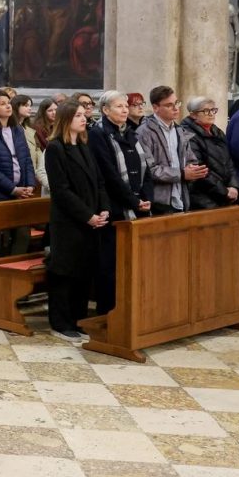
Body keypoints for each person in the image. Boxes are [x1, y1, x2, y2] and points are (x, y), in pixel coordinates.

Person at [43, 100, 110, 342]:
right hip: (68, 222)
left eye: (84, 115)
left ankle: (78, 319)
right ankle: (61, 322)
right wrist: (87, 216)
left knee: (84, 271)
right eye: (78, 115)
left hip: (91, 219)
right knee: (65, 272)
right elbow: (61, 191)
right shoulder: (55, 148)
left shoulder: (83, 145)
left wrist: (104, 209)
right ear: (66, 119)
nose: (84, 119)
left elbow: (99, 181)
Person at [85, 91, 150, 315]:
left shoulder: (130, 132)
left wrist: (146, 197)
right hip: (114, 207)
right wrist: (133, 201)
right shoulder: (98, 135)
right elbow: (109, 174)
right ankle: (108, 312)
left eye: (125, 106)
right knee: (111, 264)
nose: (124, 110)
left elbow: (145, 166)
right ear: (105, 110)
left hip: (136, 204)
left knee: (134, 262)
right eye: (119, 106)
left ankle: (132, 309)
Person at [0, 89, 36, 256]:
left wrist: (30, 184)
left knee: (23, 235)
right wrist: (12, 189)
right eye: (2, 104)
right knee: (3, 240)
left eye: (9, 103)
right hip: (0, 193)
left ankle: (17, 268)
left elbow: (26, 159)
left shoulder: (17, 129)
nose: (8, 106)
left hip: (21, 191)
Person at [136, 86, 204, 214]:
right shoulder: (144, 132)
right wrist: (181, 174)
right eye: (169, 105)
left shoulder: (180, 130)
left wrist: (194, 170)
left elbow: (191, 160)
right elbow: (148, 170)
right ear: (155, 108)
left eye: (177, 103)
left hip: (181, 196)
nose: (176, 108)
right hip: (158, 201)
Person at [181, 97, 239, 209]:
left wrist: (233, 186)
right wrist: (224, 191)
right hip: (201, 196)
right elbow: (199, 169)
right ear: (193, 115)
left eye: (213, 110)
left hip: (224, 193)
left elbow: (229, 161)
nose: (211, 114)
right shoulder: (188, 134)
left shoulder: (217, 131)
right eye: (205, 111)